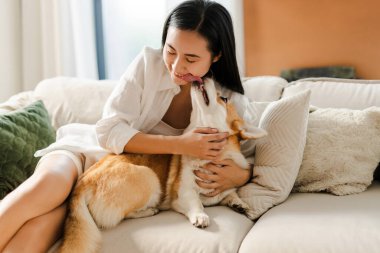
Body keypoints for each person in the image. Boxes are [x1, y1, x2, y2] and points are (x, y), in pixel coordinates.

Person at [0, 0, 258, 252]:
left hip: (118, 184)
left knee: (40, 225)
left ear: (216, 56)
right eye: (170, 51)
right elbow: (107, 131)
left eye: (191, 58)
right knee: (46, 187)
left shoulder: (227, 101)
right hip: (89, 153)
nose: (177, 66)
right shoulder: (148, 64)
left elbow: (249, 157)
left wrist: (241, 175)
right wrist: (180, 144)